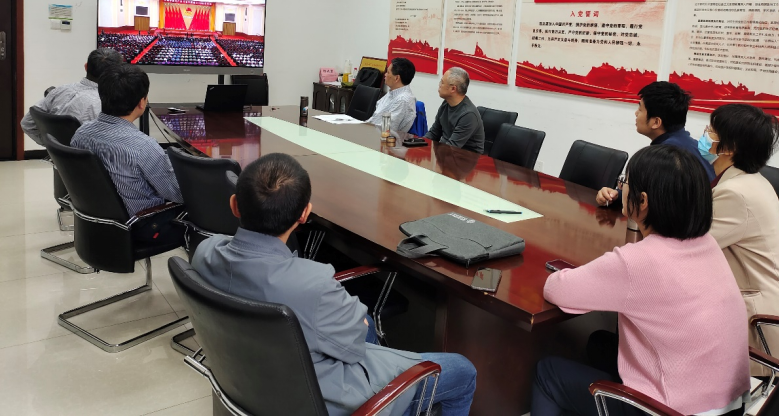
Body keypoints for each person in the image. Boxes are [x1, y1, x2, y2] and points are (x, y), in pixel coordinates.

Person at [192, 153, 476, 416]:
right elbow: (355, 341)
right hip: (323, 399)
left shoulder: (205, 253)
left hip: (256, 379)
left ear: (234, 205)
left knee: (363, 323)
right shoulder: (312, 285)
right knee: (463, 371)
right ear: (304, 215)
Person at [533, 145, 749, 416]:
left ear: (643, 201)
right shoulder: (708, 244)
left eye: (624, 181)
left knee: (548, 374)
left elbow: (557, 289)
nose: (621, 187)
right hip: (730, 405)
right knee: (599, 343)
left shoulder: (638, 261)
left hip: (672, 411)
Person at [700, 104, 779, 369]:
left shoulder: (736, 193)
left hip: (758, 323)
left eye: (712, 130)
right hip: (766, 304)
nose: (705, 134)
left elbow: (690, 246)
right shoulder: (751, 181)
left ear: (730, 147)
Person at [71, 64, 183, 245]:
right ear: (142, 102)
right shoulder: (144, 146)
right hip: (142, 226)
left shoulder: (81, 133)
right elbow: (177, 194)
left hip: (97, 223)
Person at [596, 81, 715, 207]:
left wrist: (620, 196)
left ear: (656, 122)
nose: (636, 113)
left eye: (640, 109)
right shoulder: (695, 146)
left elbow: (647, 202)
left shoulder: (664, 157)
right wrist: (616, 195)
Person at [20, 47, 123, 145]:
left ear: (86, 67)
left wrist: (54, 147)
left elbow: (27, 123)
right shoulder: (106, 105)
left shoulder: (58, 91)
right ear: (118, 74)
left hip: (61, 157)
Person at [424, 67, 485, 154]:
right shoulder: (446, 103)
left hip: (465, 158)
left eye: (442, 82)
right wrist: (418, 146)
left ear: (453, 89)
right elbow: (433, 133)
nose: (439, 85)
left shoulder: (468, 115)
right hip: (447, 152)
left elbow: (452, 147)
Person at [367, 57, 417, 132]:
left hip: (381, 136)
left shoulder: (402, 100)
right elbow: (375, 118)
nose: (385, 75)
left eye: (388, 72)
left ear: (396, 78)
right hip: (372, 130)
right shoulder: (393, 92)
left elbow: (385, 130)